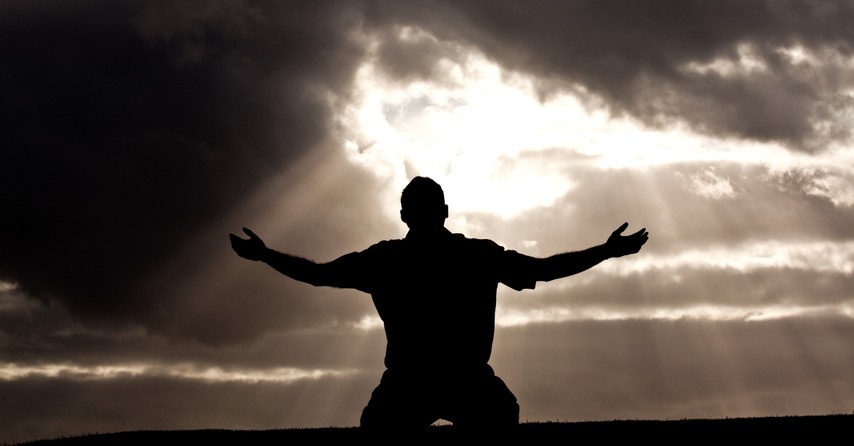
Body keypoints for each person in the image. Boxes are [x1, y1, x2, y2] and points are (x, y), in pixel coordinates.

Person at [229, 176, 649, 432]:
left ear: (404, 215)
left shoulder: (388, 259)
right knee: (499, 415)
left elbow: (319, 275)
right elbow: (543, 269)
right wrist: (605, 252)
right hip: (454, 381)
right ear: (445, 212)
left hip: (418, 382)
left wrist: (266, 255)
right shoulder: (474, 255)